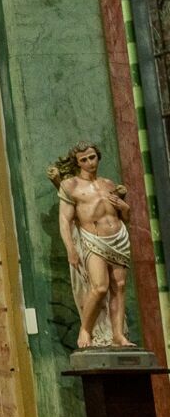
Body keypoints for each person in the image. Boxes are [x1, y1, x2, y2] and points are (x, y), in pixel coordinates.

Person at [50, 142, 133, 348]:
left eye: (92, 157)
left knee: (120, 287)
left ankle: (118, 335)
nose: (89, 163)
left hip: (119, 239)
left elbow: (124, 217)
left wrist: (125, 208)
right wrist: (70, 249)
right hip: (93, 240)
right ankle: (85, 329)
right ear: (77, 162)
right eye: (84, 160)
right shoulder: (71, 186)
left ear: (98, 157)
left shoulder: (108, 184)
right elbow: (65, 221)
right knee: (100, 287)